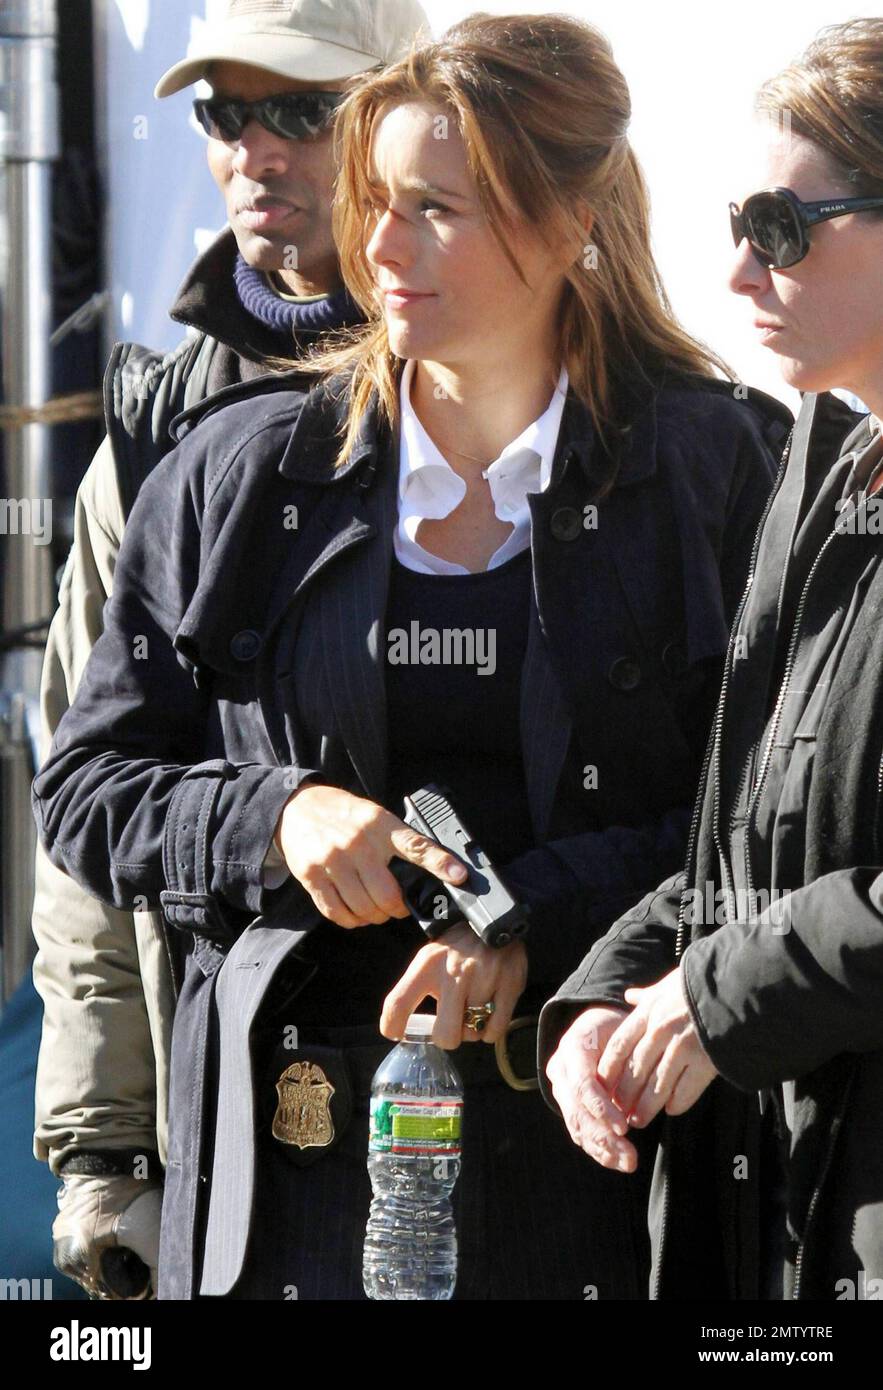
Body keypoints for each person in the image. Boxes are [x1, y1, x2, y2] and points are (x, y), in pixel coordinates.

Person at [32, 13, 789, 1301]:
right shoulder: (238, 468)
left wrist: (540, 927)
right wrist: (278, 815)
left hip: (613, 1162)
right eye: (376, 199)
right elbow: (87, 786)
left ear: (569, 223)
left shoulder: (724, 470)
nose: (378, 247)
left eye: (436, 208)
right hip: (290, 1179)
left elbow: (770, 820)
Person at [31, 0, 428, 1301]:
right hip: (228, 1148)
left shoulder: (518, 390)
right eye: (223, 113)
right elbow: (81, 821)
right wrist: (104, 1154)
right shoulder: (152, 432)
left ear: (406, 113)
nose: (256, 149)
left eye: (299, 109)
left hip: (479, 1125)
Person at [542, 17, 883, 1301]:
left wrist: (720, 991)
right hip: (792, 1215)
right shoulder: (825, 463)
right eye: (734, 220)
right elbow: (752, 845)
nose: (736, 269)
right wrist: (614, 996)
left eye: (782, 229)